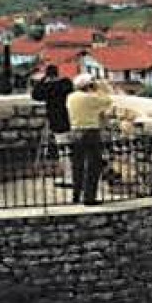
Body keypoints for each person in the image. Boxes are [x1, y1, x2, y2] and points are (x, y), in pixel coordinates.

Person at [65, 74, 116, 205]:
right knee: (93, 166)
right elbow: (108, 101)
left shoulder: (71, 97)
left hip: (75, 132)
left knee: (77, 165)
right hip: (90, 132)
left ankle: (76, 195)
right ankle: (89, 197)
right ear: (89, 85)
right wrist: (100, 88)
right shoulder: (90, 98)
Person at [29, 63, 73, 184]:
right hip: (71, 118)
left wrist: (43, 80)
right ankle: (74, 174)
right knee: (72, 149)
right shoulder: (66, 83)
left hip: (57, 121)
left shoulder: (47, 87)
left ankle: (69, 176)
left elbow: (35, 95)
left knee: (63, 149)